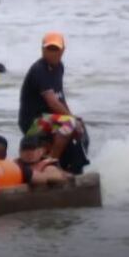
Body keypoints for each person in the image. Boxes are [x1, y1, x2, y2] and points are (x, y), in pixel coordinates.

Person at [18, 31, 89, 174]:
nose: (52, 53)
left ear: (63, 50)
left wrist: (75, 118)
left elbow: (60, 98)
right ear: (42, 50)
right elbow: (52, 103)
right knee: (70, 123)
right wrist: (72, 120)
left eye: (56, 49)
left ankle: (73, 166)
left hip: (48, 120)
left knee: (79, 126)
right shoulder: (39, 70)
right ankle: (50, 163)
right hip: (33, 122)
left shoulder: (59, 68)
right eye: (49, 49)